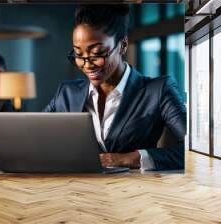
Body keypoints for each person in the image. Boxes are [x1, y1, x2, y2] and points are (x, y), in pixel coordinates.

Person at [43, 5, 186, 171]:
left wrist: (130, 158)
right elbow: (34, 135)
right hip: (76, 189)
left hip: (134, 190)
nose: (87, 65)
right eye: (79, 55)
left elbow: (191, 151)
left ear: (123, 45)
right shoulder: (66, 93)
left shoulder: (158, 90)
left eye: (97, 53)